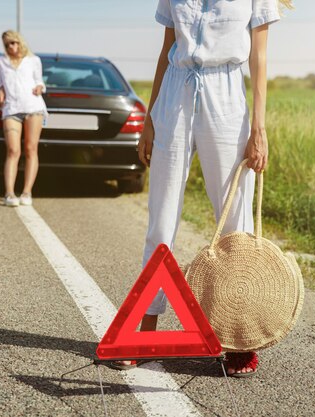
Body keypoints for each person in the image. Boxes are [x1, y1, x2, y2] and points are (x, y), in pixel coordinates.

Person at [112, 0, 292, 375]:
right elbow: (166, 52)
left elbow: (259, 59)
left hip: (226, 98)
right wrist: (150, 118)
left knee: (233, 223)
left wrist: (258, 127)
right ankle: (146, 332)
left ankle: (238, 336)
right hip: (174, 99)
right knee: (160, 221)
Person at [0, 30, 47, 207]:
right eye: (7, 44)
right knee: (13, 150)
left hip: (33, 108)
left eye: (13, 42)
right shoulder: (0, 62)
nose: (11, 47)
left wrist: (40, 88)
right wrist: (1, 91)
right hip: (11, 109)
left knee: (31, 149)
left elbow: (40, 81)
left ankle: (27, 192)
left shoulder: (34, 60)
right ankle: (9, 193)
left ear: (20, 42)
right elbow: (1, 84)